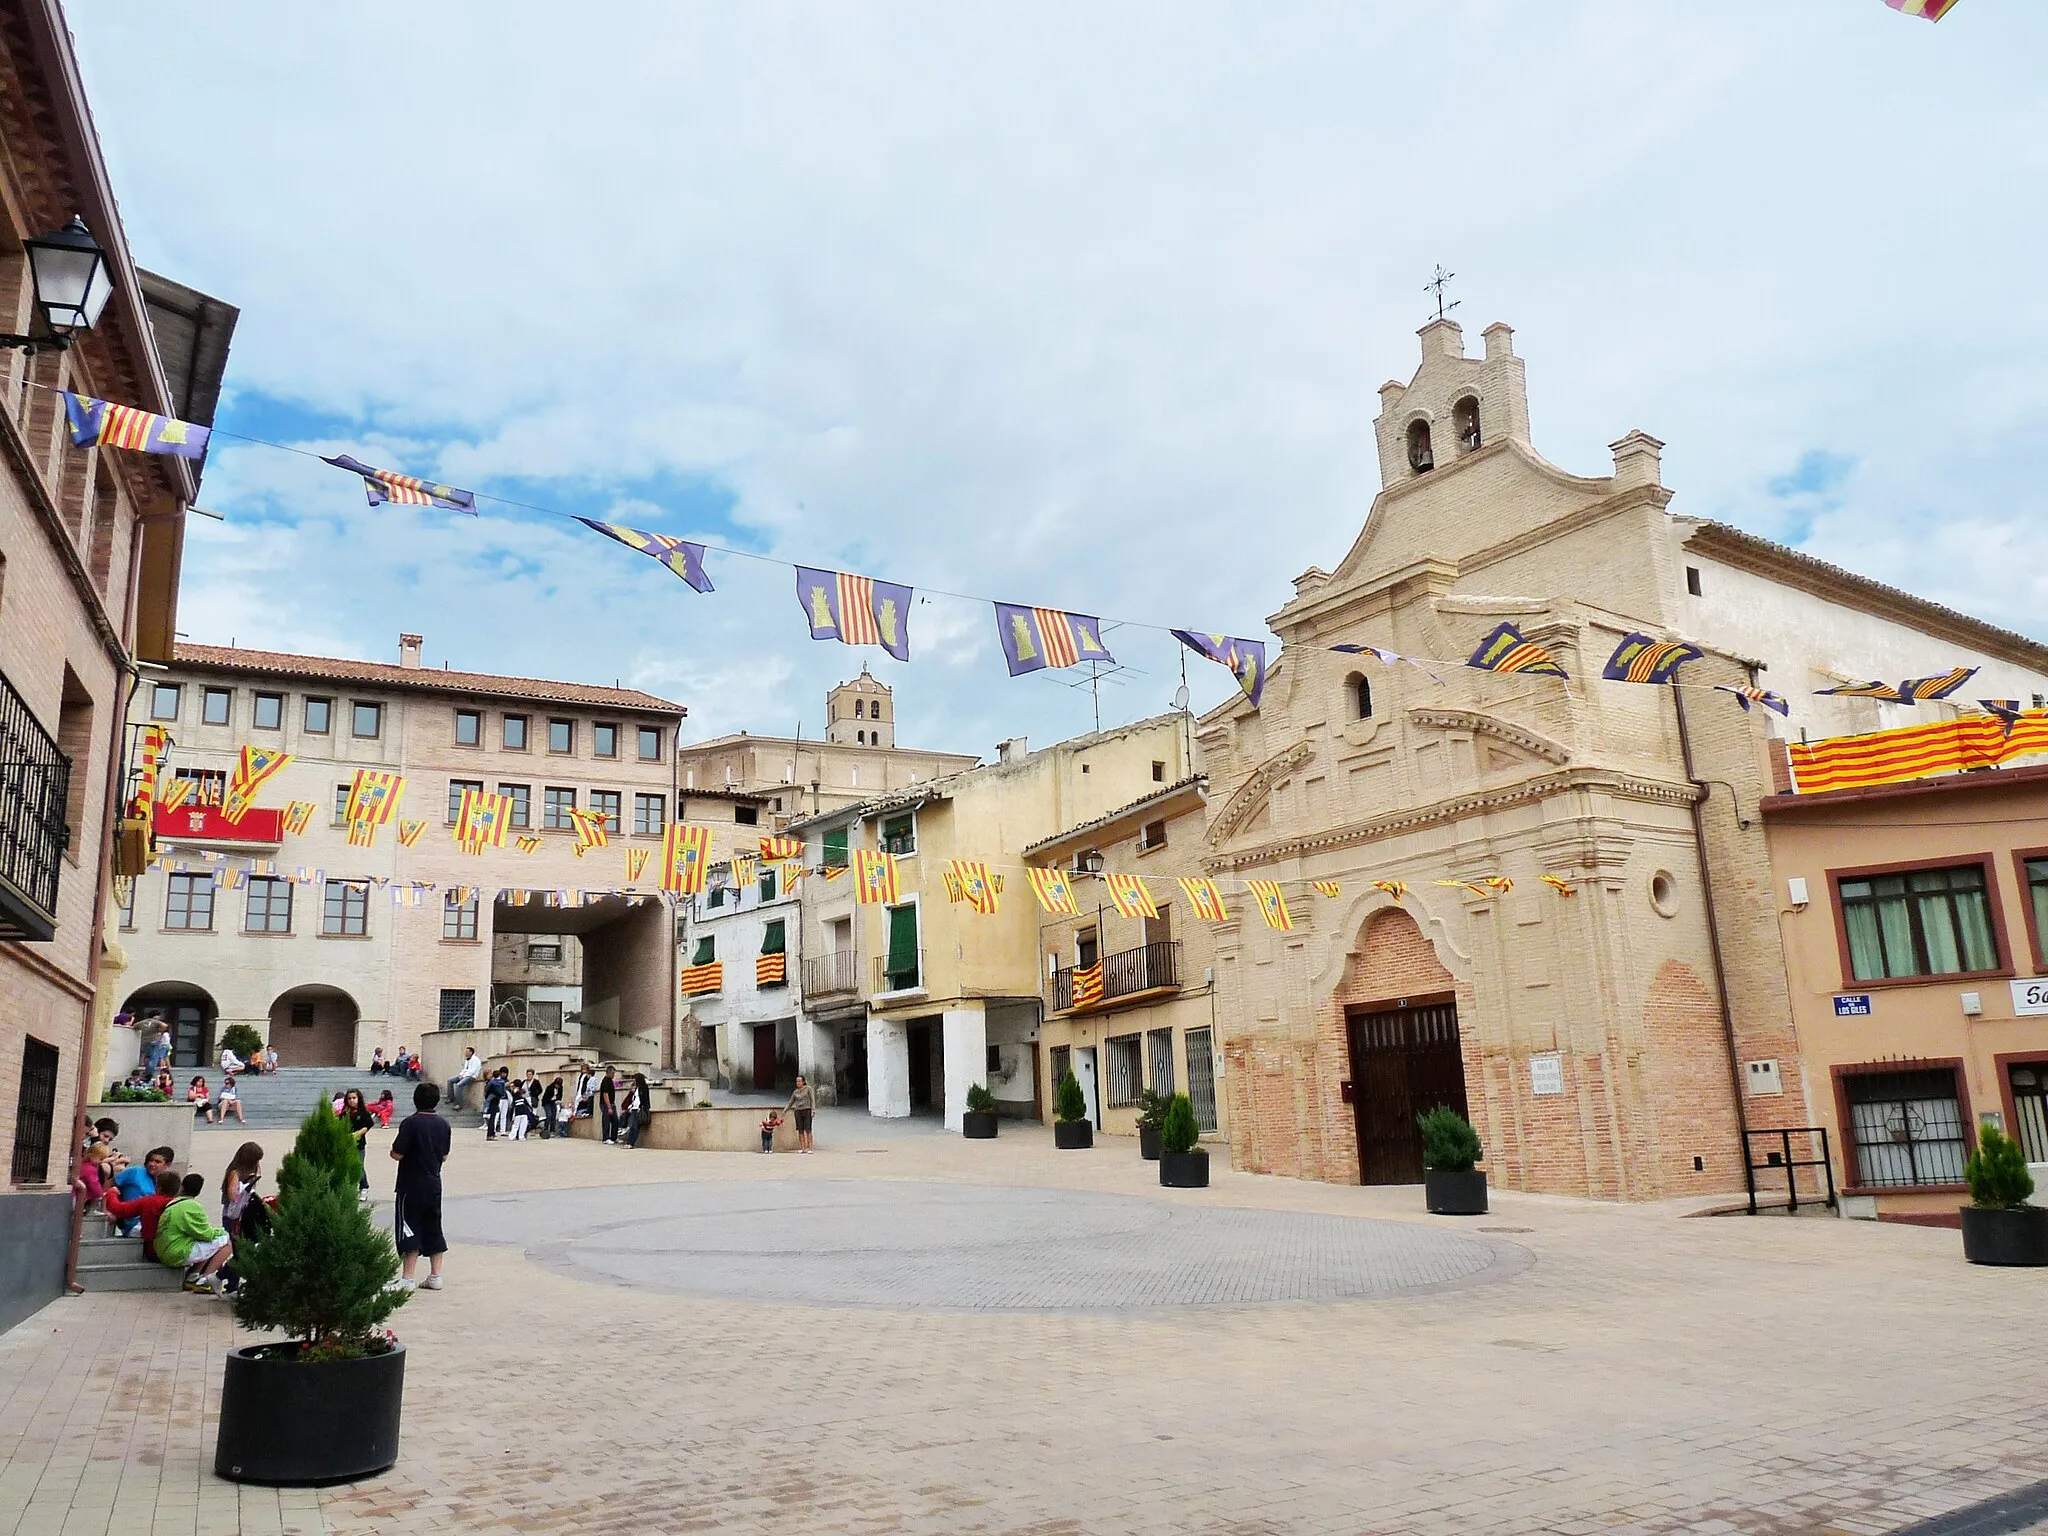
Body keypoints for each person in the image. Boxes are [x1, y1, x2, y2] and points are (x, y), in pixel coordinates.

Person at [390, 1081, 451, 1292]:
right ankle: (436, 1275)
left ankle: (407, 1278)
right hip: (434, 1183)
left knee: (409, 1227)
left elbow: (397, 1153)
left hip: (410, 1184)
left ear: (416, 1099)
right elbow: (444, 1155)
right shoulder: (444, 1124)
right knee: (433, 1227)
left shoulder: (411, 1123)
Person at [155, 1173, 234, 1296]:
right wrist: (223, 1232)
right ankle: (206, 1279)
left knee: (210, 1243)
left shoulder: (174, 1203)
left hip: (164, 1249)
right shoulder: (192, 1206)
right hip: (176, 1252)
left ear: (182, 1187)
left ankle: (193, 1276)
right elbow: (206, 1234)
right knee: (228, 1242)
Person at [105, 1169, 180, 1258]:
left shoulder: (149, 1201)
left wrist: (112, 1193)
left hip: (152, 1250)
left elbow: (119, 1209)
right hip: (176, 1251)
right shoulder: (182, 1205)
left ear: (158, 1187)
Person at [110, 1146, 175, 1232]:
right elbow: (108, 1185)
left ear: (168, 1165)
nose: (152, 1164)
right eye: (151, 1160)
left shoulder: (163, 1182)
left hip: (151, 1224)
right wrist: (106, 1211)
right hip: (133, 1225)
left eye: (157, 1162)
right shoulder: (135, 1171)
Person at [220, 1142, 269, 1240]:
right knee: (234, 1238)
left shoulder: (251, 1170)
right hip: (234, 1212)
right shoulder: (235, 1173)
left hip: (245, 1211)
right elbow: (232, 1195)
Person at [341, 1089, 377, 1198]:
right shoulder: (345, 1113)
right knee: (347, 1166)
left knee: (359, 1166)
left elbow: (368, 1124)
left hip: (359, 1145)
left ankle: (364, 1187)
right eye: (349, 1098)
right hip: (346, 1144)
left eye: (354, 1098)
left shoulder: (363, 1113)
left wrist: (357, 1134)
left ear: (358, 1099)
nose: (352, 1101)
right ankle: (349, 1189)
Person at [785, 1073, 817, 1154]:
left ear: (803, 1082)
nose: (798, 1083)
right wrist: (785, 1110)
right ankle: (803, 1148)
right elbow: (791, 1102)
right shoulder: (795, 1092)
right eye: (797, 1081)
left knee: (808, 1129)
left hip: (807, 1110)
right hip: (798, 1111)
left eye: (799, 1081)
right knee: (800, 1130)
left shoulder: (808, 1089)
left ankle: (810, 1148)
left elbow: (812, 1099)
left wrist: (813, 1109)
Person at [617, 1073, 649, 1149]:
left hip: (638, 1109)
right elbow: (634, 1099)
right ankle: (629, 1141)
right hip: (633, 1108)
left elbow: (644, 1099)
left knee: (634, 1127)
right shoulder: (637, 1088)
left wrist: (641, 1107)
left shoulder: (643, 1087)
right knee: (633, 1126)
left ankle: (630, 1143)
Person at [447, 1046, 481, 1111]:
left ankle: (459, 1104)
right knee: (450, 1080)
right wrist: (461, 1074)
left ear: (471, 1052)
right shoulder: (467, 1059)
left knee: (459, 1085)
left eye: (467, 1051)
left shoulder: (475, 1060)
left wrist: (464, 1076)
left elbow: (472, 1071)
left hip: (471, 1076)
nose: (465, 1053)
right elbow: (465, 1069)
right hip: (464, 1075)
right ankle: (451, 1097)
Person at [598, 1068, 618, 1145]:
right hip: (606, 1104)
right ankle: (606, 1138)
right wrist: (609, 1107)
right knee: (606, 1120)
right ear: (608, 1073)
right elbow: (605, 1094)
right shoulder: (605, 1081)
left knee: (615, 1120)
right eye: (612, 1073)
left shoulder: (610, 1081)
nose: (614, 1075)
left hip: (612, 1103)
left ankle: (614, 1137)